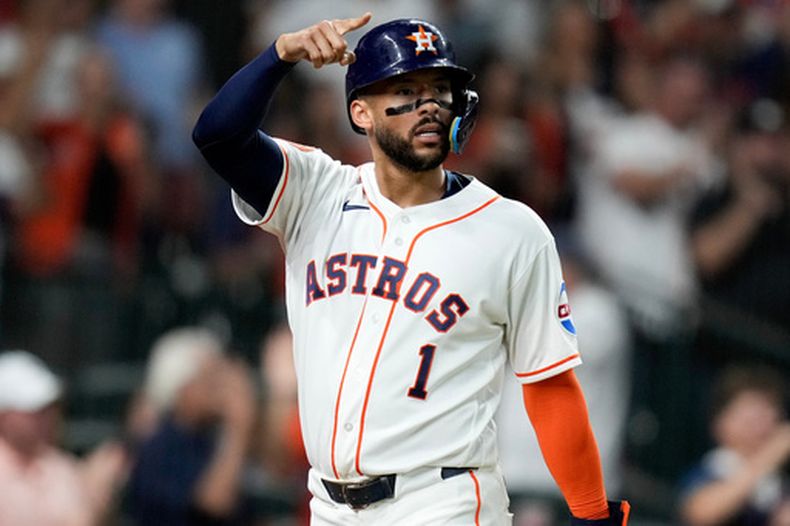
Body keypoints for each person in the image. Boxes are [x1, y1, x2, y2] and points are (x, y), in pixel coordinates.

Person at [193, 14, 629, 524]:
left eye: (439, 90)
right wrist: (279, 57)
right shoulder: (316, 192)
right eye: (406, 90)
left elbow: (549, 384)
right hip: (329, 507)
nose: (428, 107)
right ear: (361, 113)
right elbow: (219, 137)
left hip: (442, 501)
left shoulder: (513, 231)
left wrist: (592, 512)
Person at [125, 327, 257, 526]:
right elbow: (215, 502)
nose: (219, 390)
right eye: (209, 381)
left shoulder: (207, 439)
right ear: (182, 389)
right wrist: (239, 428)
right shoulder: (158, 447)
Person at [0, 350, 128, 526]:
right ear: (4, 414)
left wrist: (99, 491)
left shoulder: (61, 468)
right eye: (32, 411)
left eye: (47, 409)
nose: (44, 418)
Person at [678, 365, 790, 526]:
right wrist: (770, 456)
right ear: (721, 422)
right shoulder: (712, 471)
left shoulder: (776, 487)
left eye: (769, 416)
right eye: (751, 419)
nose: (761, 428)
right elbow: (701, 515)